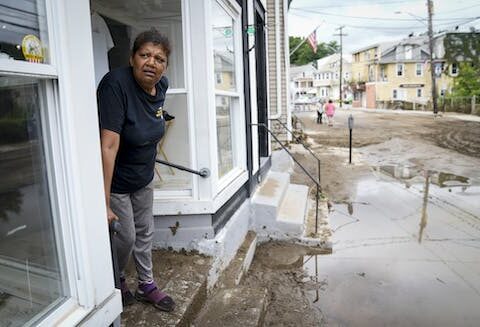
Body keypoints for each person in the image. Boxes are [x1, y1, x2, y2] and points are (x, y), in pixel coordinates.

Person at [97, 28, 175, 312]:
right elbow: (109, 144)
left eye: (159, 58)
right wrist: (104, 201)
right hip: (117, 180)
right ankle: (116, 277)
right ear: (132, 58)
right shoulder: (114, 85)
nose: (151, 63)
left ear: (165, 65)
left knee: (145, 233)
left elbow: (152, 122)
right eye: (145, 55)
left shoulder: (161, 86)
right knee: (125, 235)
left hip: (143, 176)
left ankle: (146, 284)